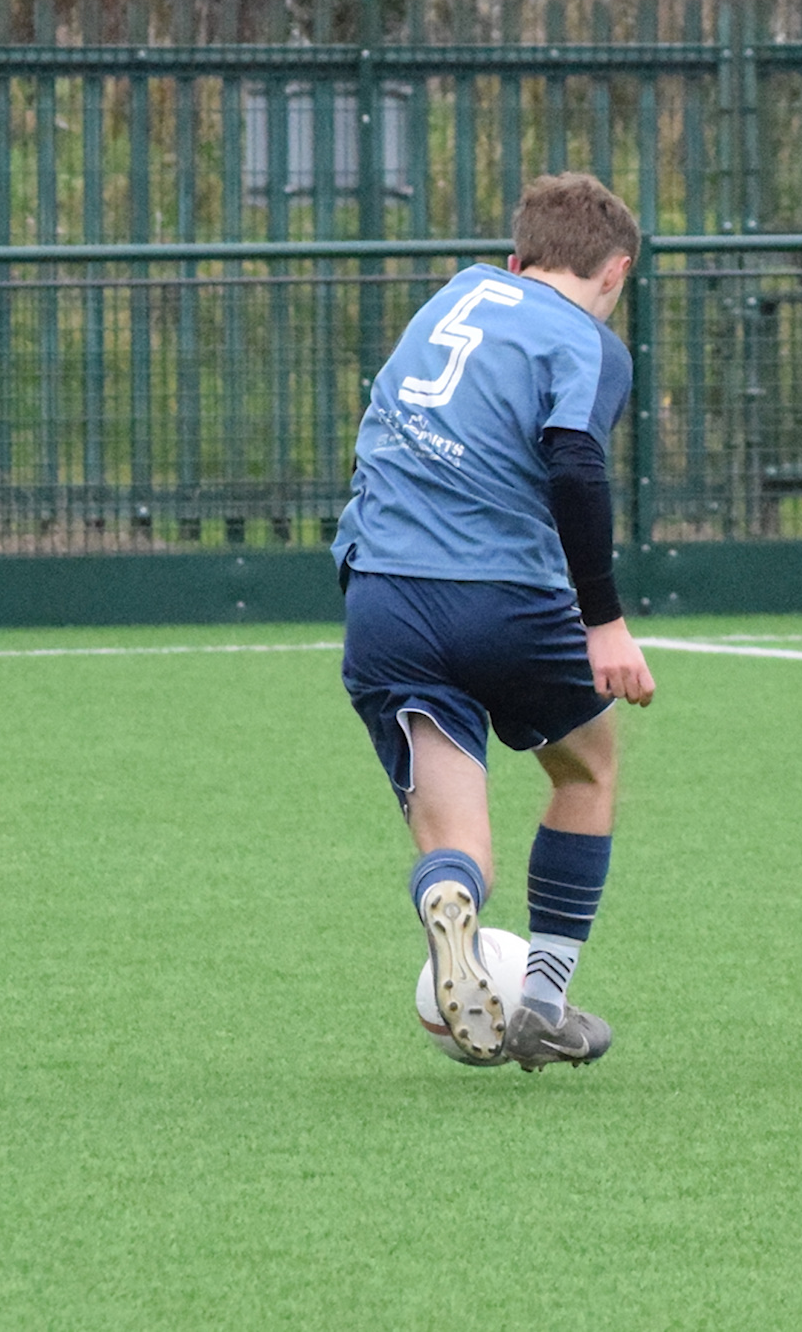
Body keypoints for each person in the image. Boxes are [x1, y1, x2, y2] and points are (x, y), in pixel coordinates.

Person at [334, 172, 656, 1072]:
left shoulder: (454, 294)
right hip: (506, 595)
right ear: (616, 270)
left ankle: (450, 895)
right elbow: (576, 467)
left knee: (454, 836)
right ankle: (544, 1005)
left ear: (518, 259)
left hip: (385, 594)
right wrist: (606, 622)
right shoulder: (590, 343)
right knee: (586, 766)